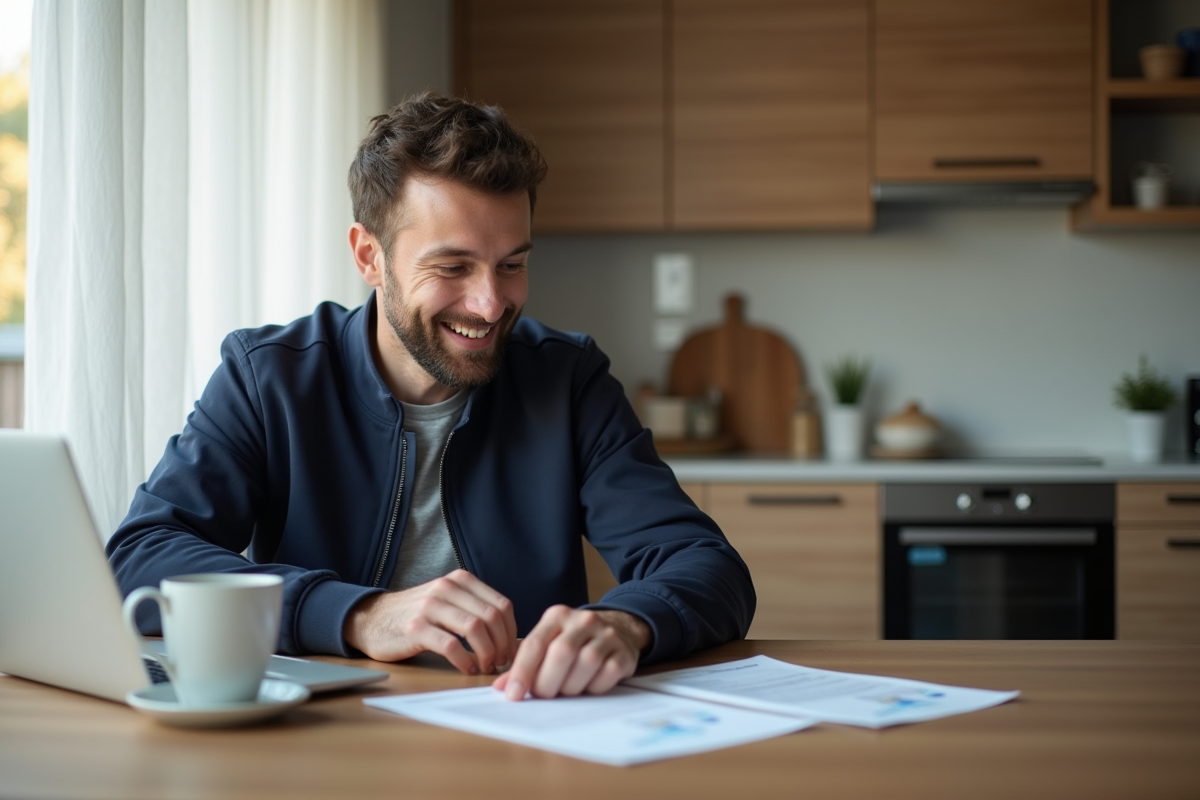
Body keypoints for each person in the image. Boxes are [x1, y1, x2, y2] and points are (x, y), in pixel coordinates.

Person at [107, 92, 755, 701]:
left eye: (512, 263)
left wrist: (626, 623)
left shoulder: (567, 380)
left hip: (518, 725)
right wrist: (357, 613)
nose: (491, 303)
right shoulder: (268, 377)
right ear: (369, 256)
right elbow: (142, 554)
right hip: (322, 735)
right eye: (453, 267)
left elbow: (707, 568)